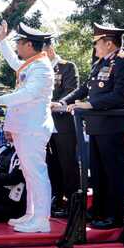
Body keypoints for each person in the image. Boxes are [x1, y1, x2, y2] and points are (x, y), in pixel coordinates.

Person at [57, 23, 124, 229]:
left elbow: (121, 95)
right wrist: (63, 102)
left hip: (113, 126)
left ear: (109, 43)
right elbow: (84, 88)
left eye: (97, 43)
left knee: (115, 172)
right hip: (96, 126)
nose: (95, 47)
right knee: (99, 172)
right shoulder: (99, 63)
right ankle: (99, 210)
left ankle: (115, 215)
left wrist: (91, 104)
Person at [0, 21, 55, 233]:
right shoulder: (32, 65)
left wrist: (0, 99)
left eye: (19, 43)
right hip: (26, 128)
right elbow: (14, 62)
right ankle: (31, 214)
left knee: (37, 174)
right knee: (30, 174)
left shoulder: (42, 68)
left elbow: (29, 94)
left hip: (33, 129)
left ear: (29, 45)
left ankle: (42, 219)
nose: (18, 47)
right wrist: (2, 41)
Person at [45, 40, 79, 212]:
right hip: (44, 124)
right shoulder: (39, 68)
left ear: (50, 49)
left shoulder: (67, 67)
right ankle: (56, 198)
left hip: (62, 121)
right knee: (51, 163)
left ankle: (73, 201)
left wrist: (56, 103)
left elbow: (72, 90)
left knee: (67, 163)